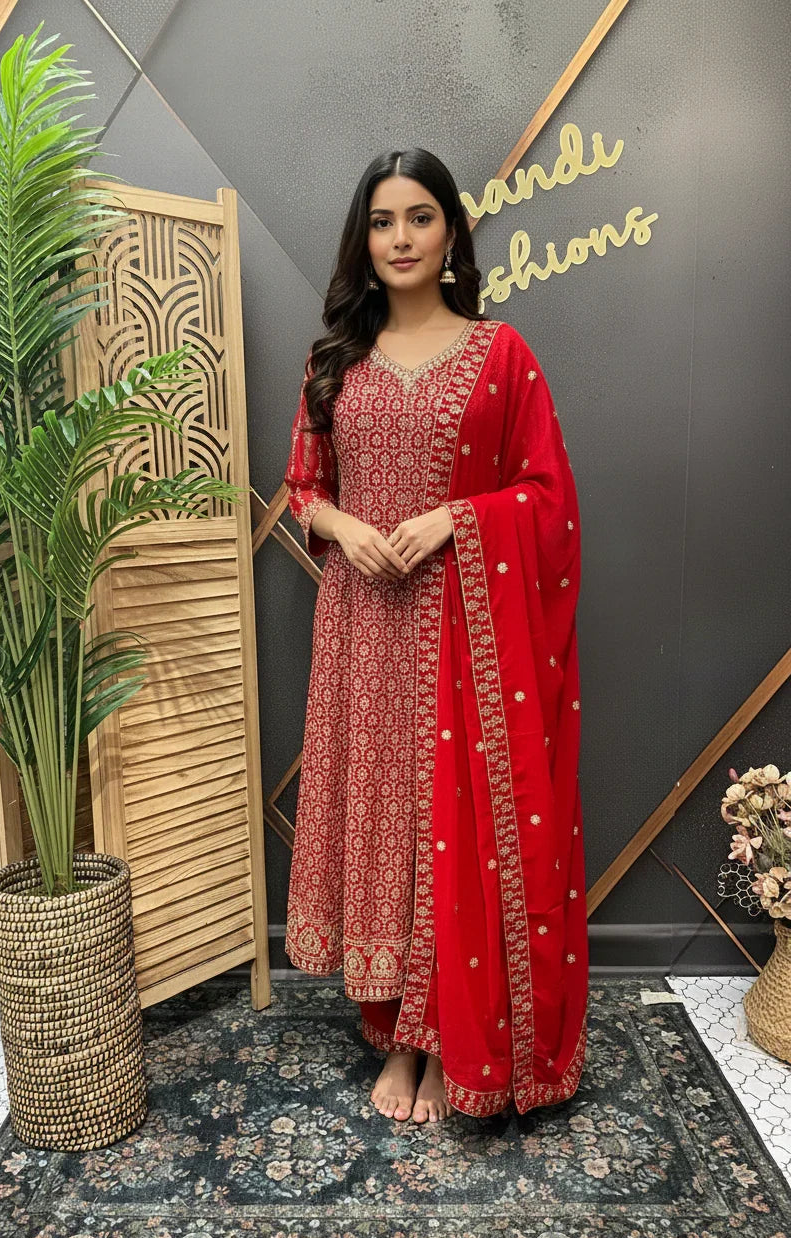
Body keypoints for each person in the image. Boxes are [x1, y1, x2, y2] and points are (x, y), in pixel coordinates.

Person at [283, 147, 588, 1124]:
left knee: (449, 828)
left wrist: (456, 521)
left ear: (451, 231)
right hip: (362, 627)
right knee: (382, 824)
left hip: (462, 631)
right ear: (361, 239)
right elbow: (303, 490)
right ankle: (393, 1033)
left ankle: (433, 1041)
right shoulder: (334, 360)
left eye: (419, 218)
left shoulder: (502, 355)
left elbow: (547, 500)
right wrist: (344, 528)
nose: (401, 238)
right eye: (382, 221)